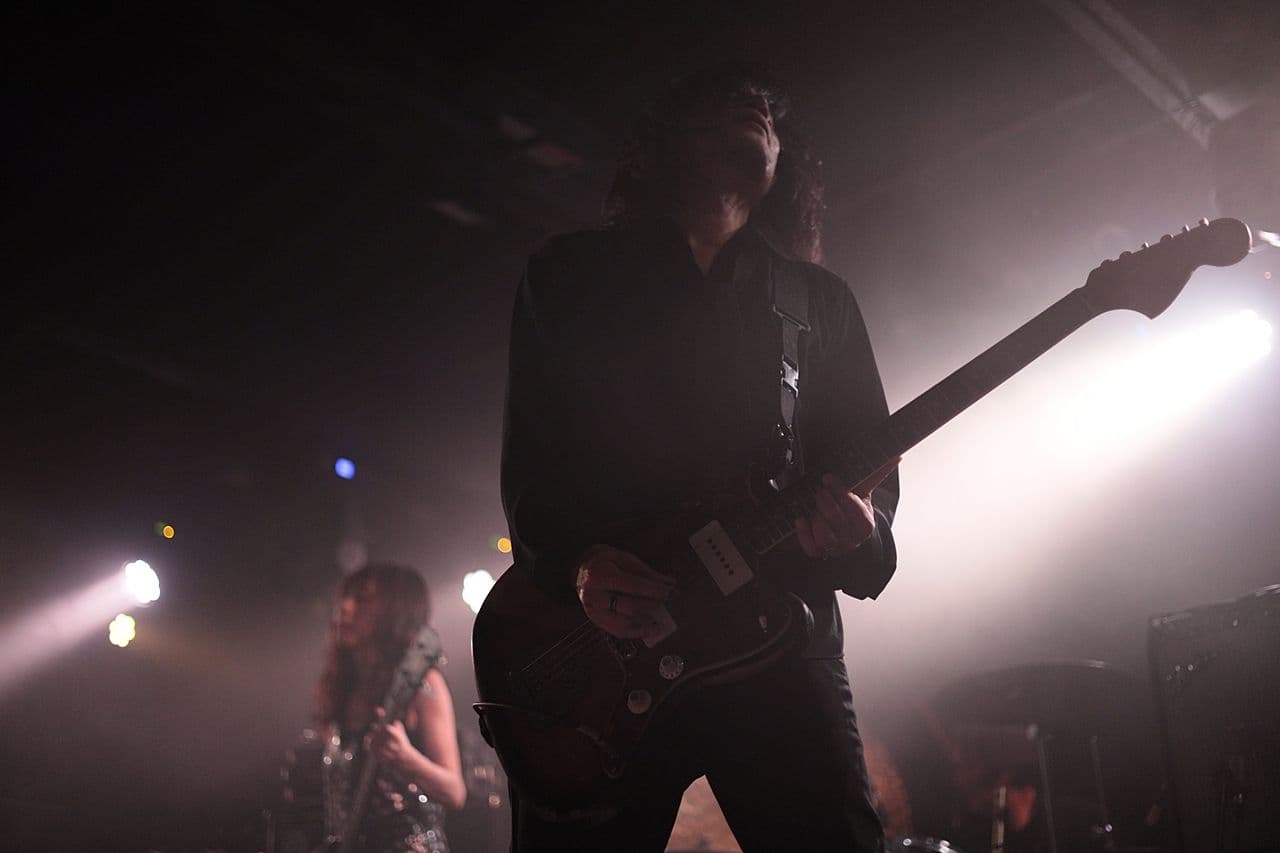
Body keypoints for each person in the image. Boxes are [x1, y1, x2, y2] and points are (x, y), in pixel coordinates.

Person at [499, 61, 901, 851]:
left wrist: (859, 532)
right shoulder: (569, 276)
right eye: (732, 103)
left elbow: (870, 468)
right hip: (611, 652)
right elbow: (534, 461)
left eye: (770, 112)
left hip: (776, 637)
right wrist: (577, 565)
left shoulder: (818, 300)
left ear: (783, 163)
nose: (757, 111)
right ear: (671, 138)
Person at [316, 562, 467, 852]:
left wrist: (405, 757)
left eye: (361, 599)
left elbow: (455, 792)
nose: (344, 608)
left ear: (394, 611)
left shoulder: (423, 684)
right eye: (345, 597)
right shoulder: (346, 688)